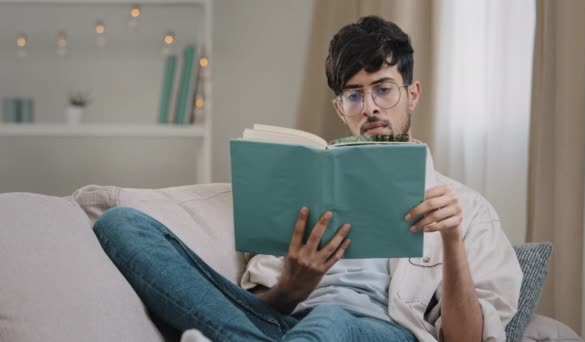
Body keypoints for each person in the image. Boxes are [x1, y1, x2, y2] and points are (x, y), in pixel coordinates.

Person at [93, 16, 522, 342]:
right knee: (121, 224)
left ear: (412, 94)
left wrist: (451, 238)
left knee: (332, 317)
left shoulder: (467, 210)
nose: (370, 106)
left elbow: (466, 338)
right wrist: (292, 286)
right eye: (354, 95)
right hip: (284, 324)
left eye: (384, 89)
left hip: (385, 330)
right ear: (340, 109)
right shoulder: (302, 181)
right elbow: (260, 306)